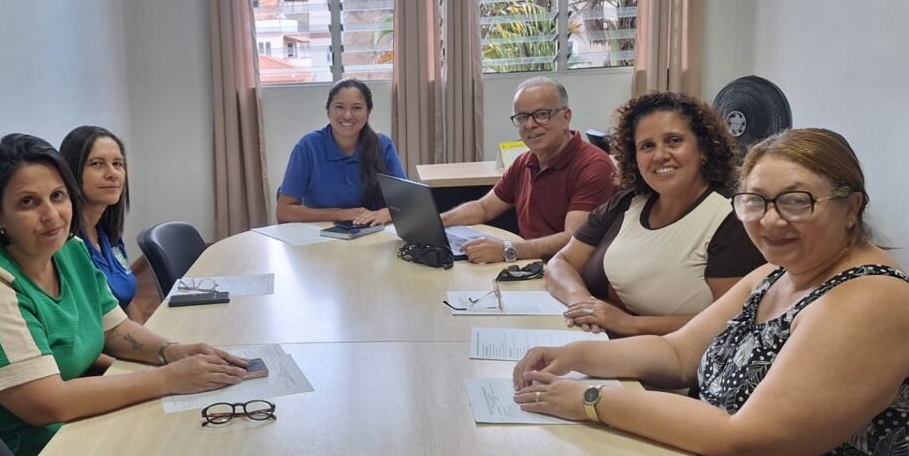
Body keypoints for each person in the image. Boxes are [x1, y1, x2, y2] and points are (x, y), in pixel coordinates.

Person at [513, 128, 909, 456]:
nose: (770, 220)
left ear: (851, 208)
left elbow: (747, 439)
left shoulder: (874, 299)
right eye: (755, 201)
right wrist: (575, 355)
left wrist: (592, 400)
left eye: (796, 201)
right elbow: (678, 353)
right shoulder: (777, 273)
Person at [0, 134, 251, 456]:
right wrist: (169, 379)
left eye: (57, 196)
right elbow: (44, 404)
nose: (51, 215)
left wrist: (172, 351)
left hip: (56, 435)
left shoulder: (69, 250)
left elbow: (115, 329)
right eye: (28, 202)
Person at [546, 92, 764, 336]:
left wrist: (630, 323)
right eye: (647, 146)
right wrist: (581, 304)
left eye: (673, 141)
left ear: (703, 148)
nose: (660, 155)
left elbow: (732, 321)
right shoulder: (627, 203)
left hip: (672, 354)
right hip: (597, 335)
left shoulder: (731, 217)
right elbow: (560, 263)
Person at [439, 77, 616, 263]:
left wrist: (508, 250)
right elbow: (483, 208)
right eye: (522, 117)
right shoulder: (524, 162)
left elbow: (574, 238)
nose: (530, 125)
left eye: (542, 114)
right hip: (528, 263)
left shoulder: (593, 166)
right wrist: (437, 222)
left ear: (566, 117)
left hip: (566, 270)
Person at [277, 78, 406, 225]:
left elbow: (406, 202)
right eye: (339, 107)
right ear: (328, 111)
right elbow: (284, 212)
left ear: (368, 113)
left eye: (357, 108)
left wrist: (384, 213)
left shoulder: (382, 145)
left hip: (370, 231)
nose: (347, 115)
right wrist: (342, 214)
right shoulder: (308, 147)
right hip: (320, 233)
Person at [60, 125, 144, 323]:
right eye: (97, 164)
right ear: (72, 171)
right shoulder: (65, 244)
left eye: (117, 164)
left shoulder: (107, 233)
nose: (112, 173)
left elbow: (127, 299)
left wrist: (149, 335)